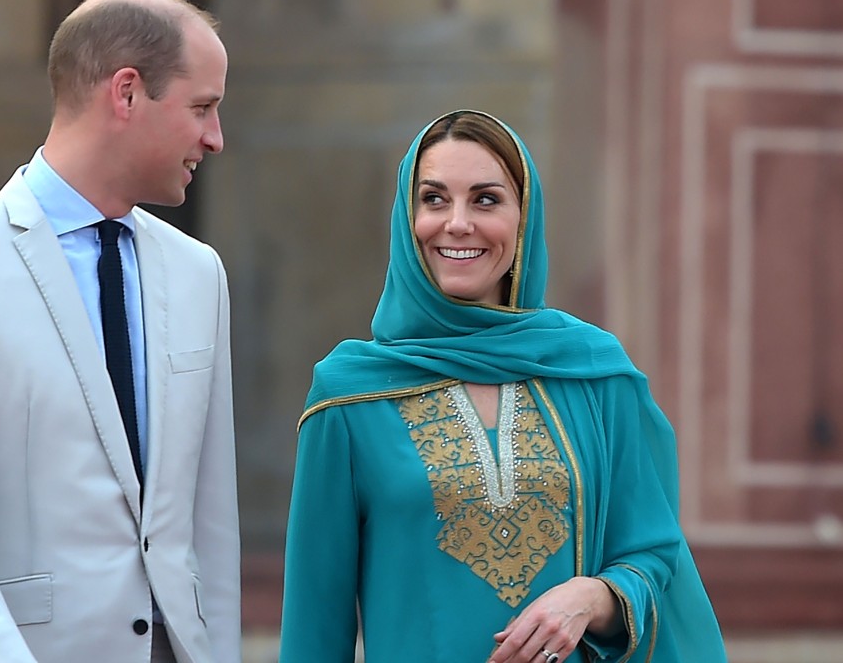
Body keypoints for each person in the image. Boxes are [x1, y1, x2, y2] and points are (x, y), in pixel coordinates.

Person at [0, 0, 239, 662]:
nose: (215, 137)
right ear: (126, 93)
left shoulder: (198, 272)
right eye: (202, 108)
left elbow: (208, 523)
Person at [279, 110, 726, 663]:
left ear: (524, 219)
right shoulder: (348, 395)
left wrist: (592, 597)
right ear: (407, 215)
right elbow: (313, 625)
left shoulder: (593, 372)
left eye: (485, 200)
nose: (457, 223)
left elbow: (651, 552)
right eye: (434, 199)